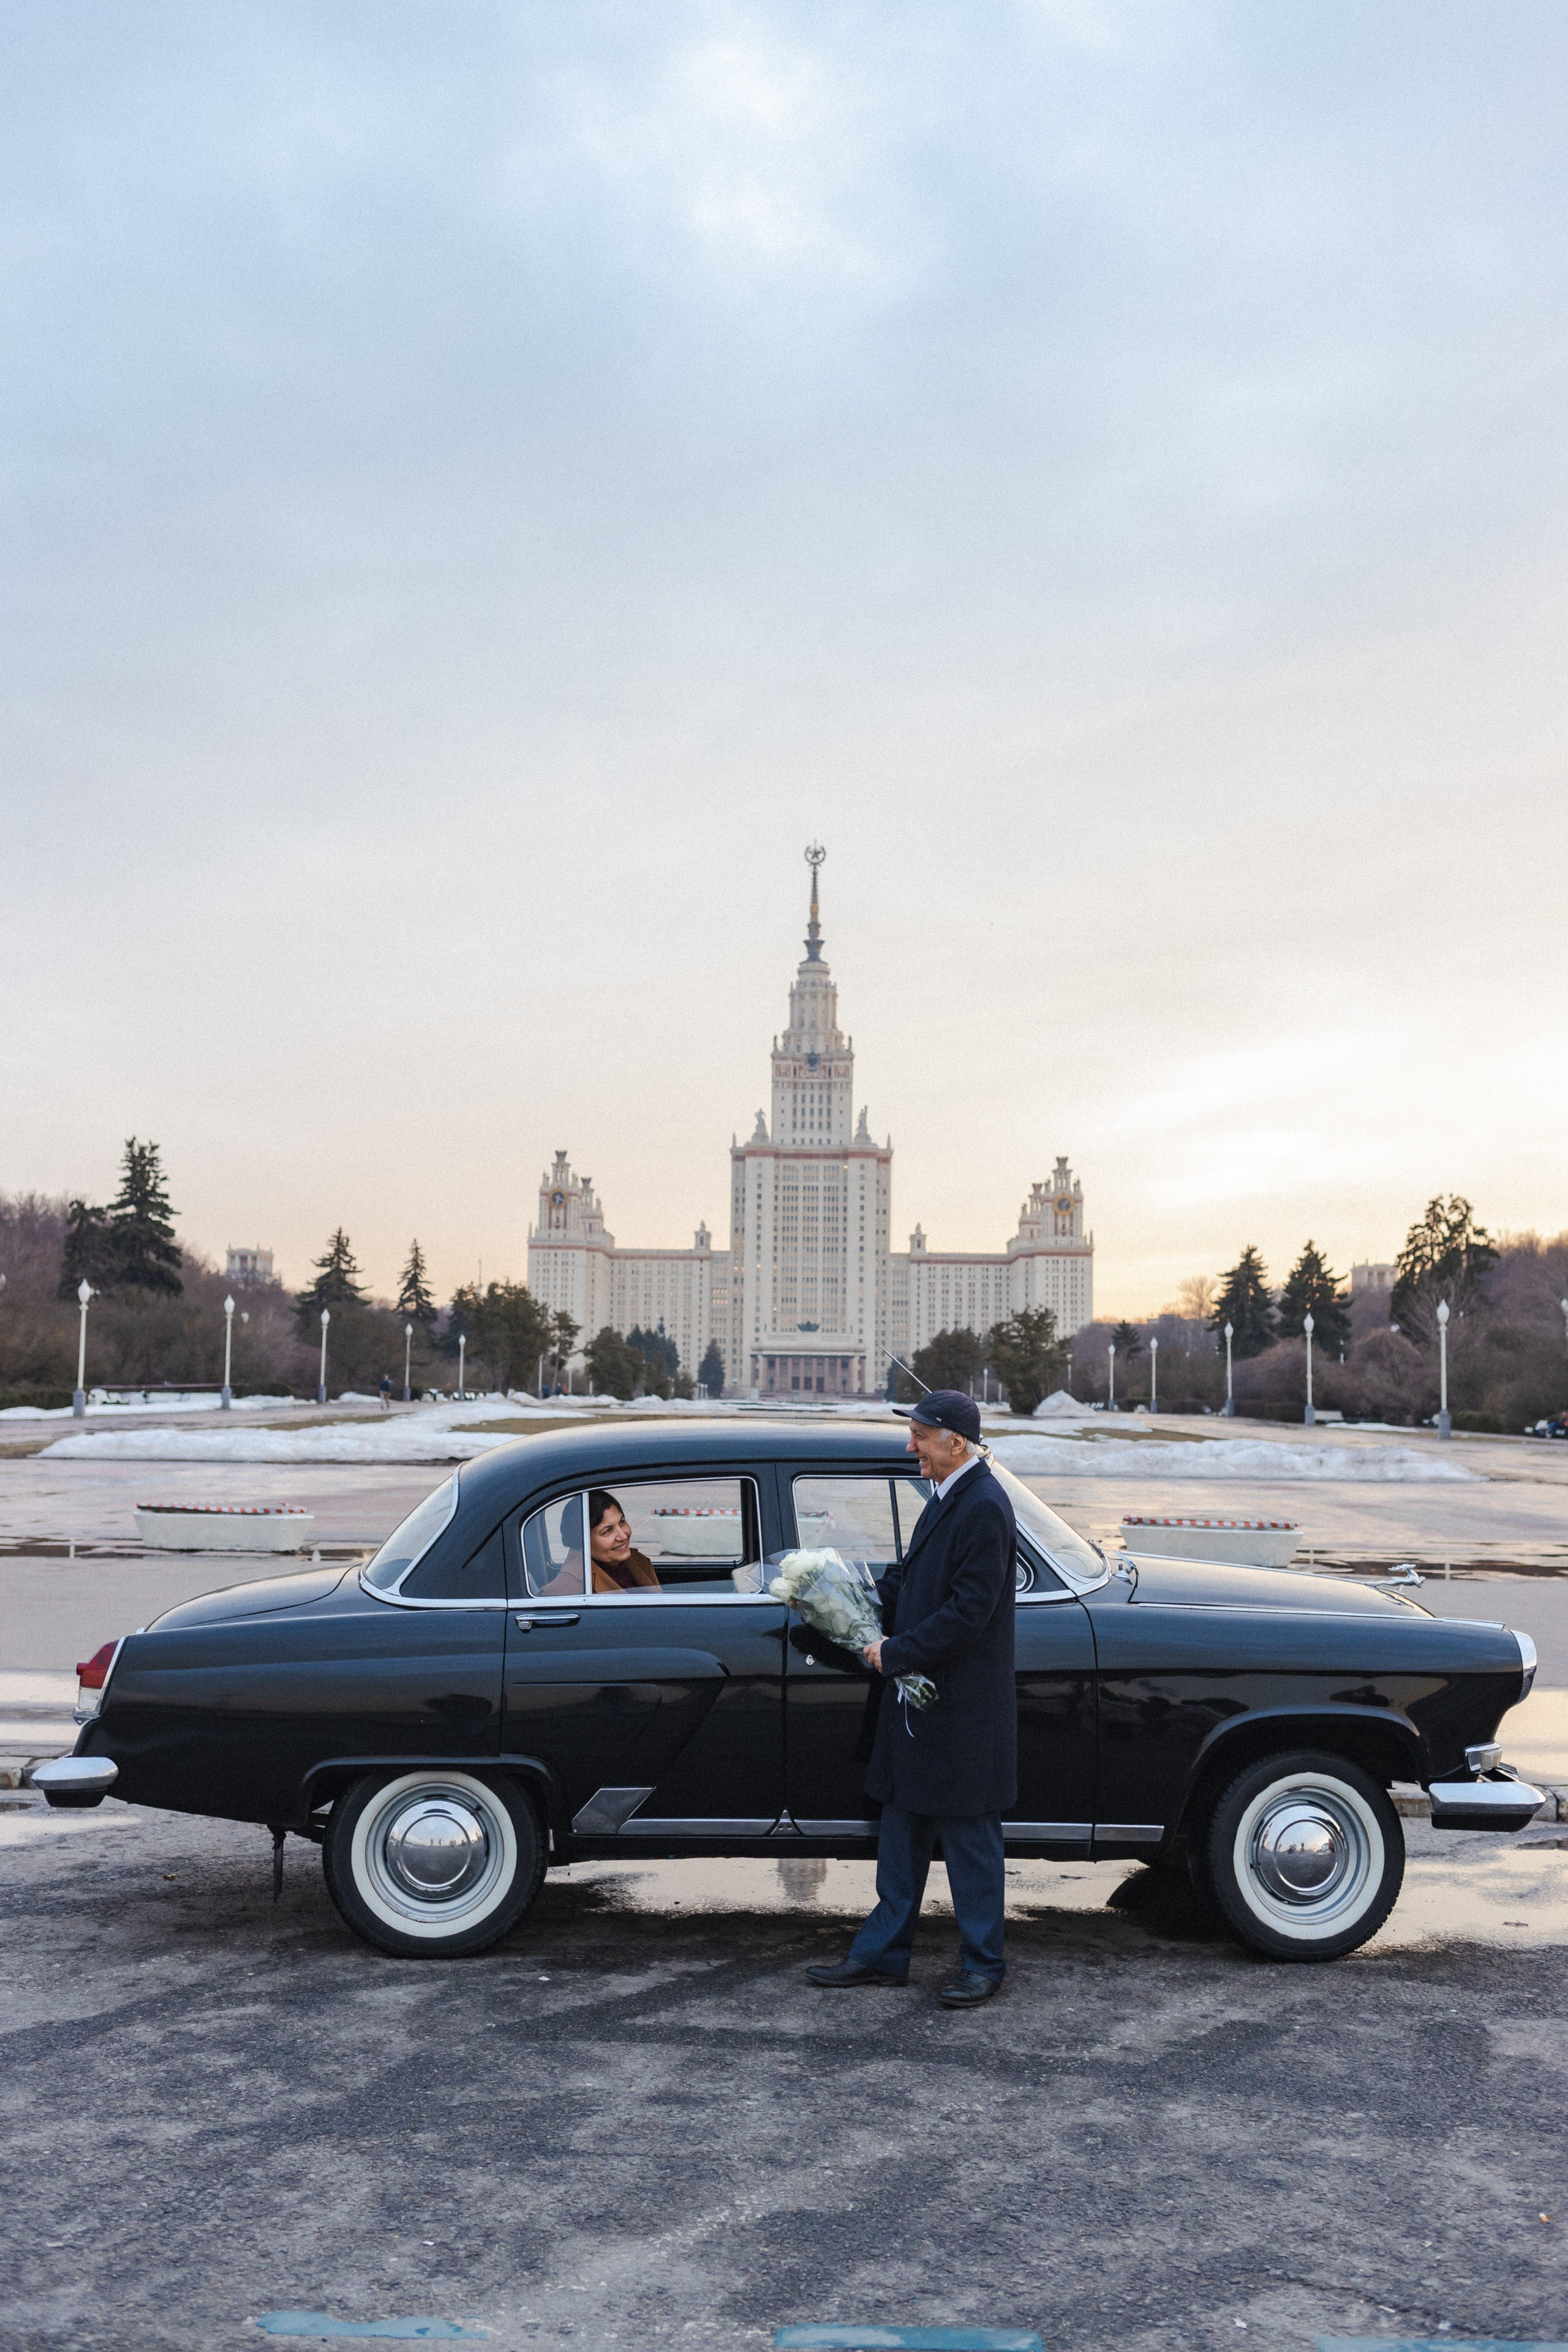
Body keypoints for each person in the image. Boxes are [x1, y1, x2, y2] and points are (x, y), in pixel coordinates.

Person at [807, 1389, 1017, 2008]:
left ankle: (983, 1965)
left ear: (954, 1442)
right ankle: (881, 1956)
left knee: (970, 1841)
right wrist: (843, 1594)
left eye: (920, 1436)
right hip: (924, 1707)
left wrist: (894, 1653)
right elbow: (917, 1581)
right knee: (901, 1830)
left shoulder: (982, 1504)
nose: (910, 1446)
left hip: (958, 1709)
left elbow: (969, 1613)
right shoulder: (950, 1496)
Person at [559, 1489, 662, 1594]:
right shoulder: (568, 1587)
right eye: (607, 1531)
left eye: (622, 1522)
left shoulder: (636, 1562)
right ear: (582, 1541)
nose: (623, 1536)